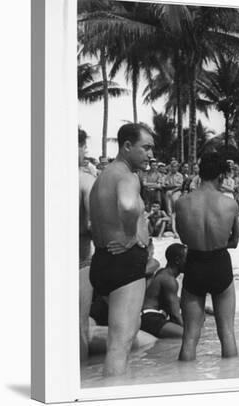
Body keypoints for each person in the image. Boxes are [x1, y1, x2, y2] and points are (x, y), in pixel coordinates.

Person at [89, 123, 154, 376]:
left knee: (122, 337)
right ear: (127, 146)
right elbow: (127, 206)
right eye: (145, 148)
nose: (150, 155)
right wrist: (129, 235)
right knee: (119, 345)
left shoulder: (102, 178)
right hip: (124, 261)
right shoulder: (128, 176)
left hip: (103, 260)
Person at [174, 153, 239, 361]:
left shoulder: (182, 203)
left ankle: (184, 385)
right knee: (227, 333)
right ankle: (230, 381)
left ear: (200, 174)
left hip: (194, 263)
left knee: (190, 337)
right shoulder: (230, 204)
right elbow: (235, 242)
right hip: (220, 263)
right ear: (221, 176)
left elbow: (183, 237)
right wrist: (219, 243)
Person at [141, 243, 187, 338]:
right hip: (149, 318)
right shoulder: (169, 280)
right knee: (187, 336)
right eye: (188, 259)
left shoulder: (162, 272)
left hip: (148, 316)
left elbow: (174, 300)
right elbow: (175, 316)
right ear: (178, 260)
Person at [79, 129, 96, 363]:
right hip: (79, 262)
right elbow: (94, 225)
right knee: (79, 324)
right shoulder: (85, 180)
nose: (85, 153)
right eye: (83, 148)